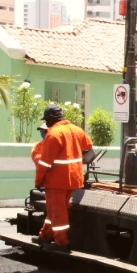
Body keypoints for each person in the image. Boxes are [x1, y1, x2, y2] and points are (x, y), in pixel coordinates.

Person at [34, 104, 93, 251]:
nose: (46, 123)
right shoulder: (76, 130)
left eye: (46, 120)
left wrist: (39, 181)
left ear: (50, 119)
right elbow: (89, 145)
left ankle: (62, 242)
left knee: (58, 212)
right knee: (55, 209)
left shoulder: (54, 134)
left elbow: (45, 162)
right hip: (73, 179)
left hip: (56, 181)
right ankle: (45, 235)